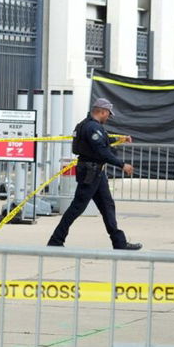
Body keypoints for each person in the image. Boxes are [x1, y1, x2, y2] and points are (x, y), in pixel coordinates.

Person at [46, 98, 142, 250]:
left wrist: (120, 138)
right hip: (90, 172)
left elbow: (103, 140)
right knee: (77, 207)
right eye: (108, 114)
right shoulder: (92, 127)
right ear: (102, 111)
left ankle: (119, 243)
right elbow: (101, 151)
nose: (108, 117)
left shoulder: (89, 125)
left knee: (107, 206)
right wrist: (122, 165)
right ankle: (56, 240)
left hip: (96, 172)